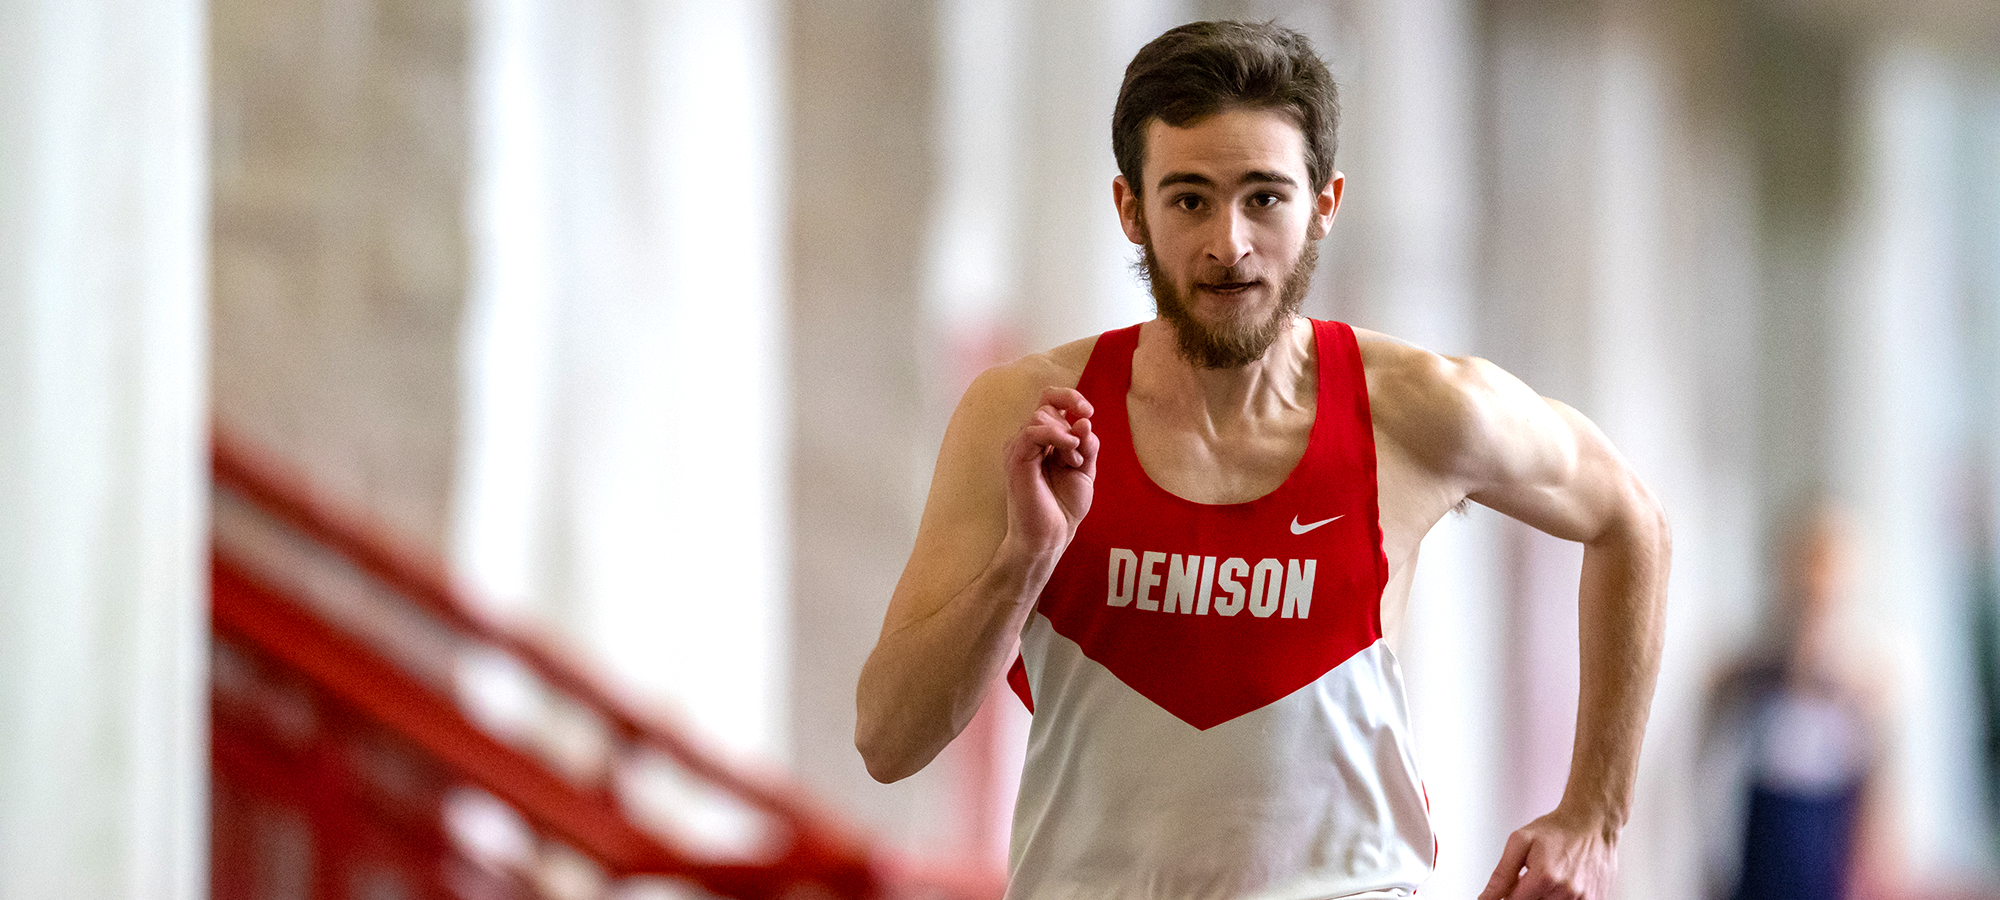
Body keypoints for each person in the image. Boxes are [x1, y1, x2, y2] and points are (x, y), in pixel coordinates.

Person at [855, 20, 1669, 900]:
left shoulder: (1419, 409)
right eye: (1190, 198)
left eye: (1265, 198)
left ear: (1326, 201)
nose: (1228, 244)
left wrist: (1595, 815)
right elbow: (888, 742)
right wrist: (1025, 561)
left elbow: (1632, 523)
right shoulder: (1030, 414)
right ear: (1132, 209)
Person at [1699, 504, 1886, 900]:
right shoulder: (1747, 671)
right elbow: (1708, 777)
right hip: (1759, 861)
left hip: (1825, 861)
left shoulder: (1866, 678)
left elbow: (1875, 805)